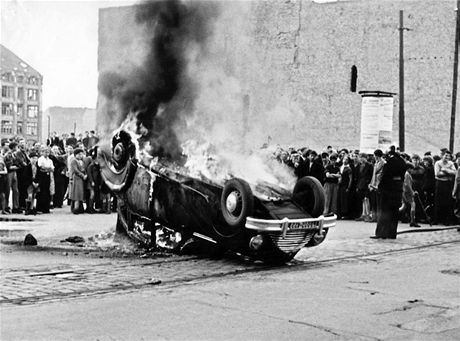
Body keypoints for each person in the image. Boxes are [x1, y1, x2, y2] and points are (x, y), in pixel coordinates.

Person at [372, 146, 407, 239]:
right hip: (397, 190)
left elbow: (385, 177)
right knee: (394, 213)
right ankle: (392, 233)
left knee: (383, 212)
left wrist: (379, 187)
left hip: (387, 191)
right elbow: (403, 176)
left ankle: (381, 233)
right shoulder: (402, 162)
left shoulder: (389, 162)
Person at [433, 151, 456, 225]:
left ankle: (446, 220)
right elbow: (437, 174)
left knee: (447, 202)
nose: (447, 157)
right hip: (440, 183)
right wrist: (449, 172)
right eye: (445, 155)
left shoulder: (451, 163)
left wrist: (445, 170)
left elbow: (455, 172)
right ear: (442, 156)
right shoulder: (438, 163)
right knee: (438, 201)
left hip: (447, 184)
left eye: (448, 156)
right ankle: (436, 219)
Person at [368, 149, 385, 222]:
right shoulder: (376, 162)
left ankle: (378, 217)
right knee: (374, 202)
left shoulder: (382, 162)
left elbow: (377, 172)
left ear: (377, 155)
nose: (374, 157)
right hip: (374, 183)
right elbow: (373, 175)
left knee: (378, 202)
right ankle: (374, 217)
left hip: (378, 184)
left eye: (375, 155)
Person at [4, 142, 21, 213]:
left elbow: (17, 162)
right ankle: (5, 206)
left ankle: (15, 207)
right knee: (7, 190)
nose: (17, 148)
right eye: (16, 147)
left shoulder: (14, 154)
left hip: (14, 172)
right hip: (9, 173)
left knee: (16, 190)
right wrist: (14, 166)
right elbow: (8, 165)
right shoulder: (9, 154)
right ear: (13, 147)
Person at [36, 147, 54, 214]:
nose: (46, 153)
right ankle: (40, 208)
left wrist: (47, 168)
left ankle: (46, 208)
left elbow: (52, 169)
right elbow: (41, 167)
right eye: (45, 152)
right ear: (42, 152)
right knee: (41, 192)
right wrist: (47, 168)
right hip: (42, 176)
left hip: (48, 176)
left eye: (48, 152)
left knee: (47, 191)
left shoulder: (50, 160)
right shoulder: (40, 159)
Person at [70, 148, 87, 214]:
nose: (80, 155)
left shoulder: (82, 161)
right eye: (79, 154)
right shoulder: (74, 161)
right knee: (77, 193)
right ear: (75, 155)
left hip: (82, 179)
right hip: (77, 178)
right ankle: (76, 208)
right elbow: (75, 170)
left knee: (81, 193)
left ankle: (80, 207)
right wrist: (83, 175)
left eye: (81, 154)